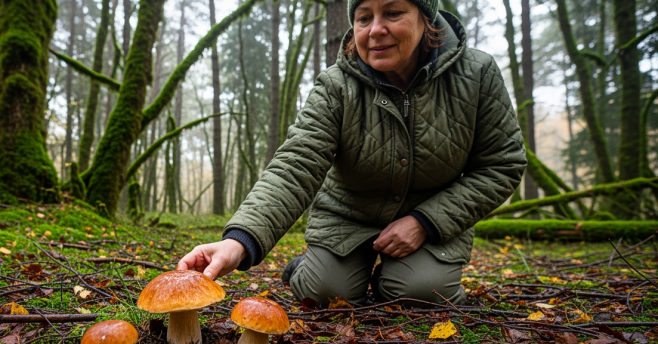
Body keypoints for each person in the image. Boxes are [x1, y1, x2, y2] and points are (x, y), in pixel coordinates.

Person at [178, 0, 527, 307]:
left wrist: (426, 222)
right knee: (326, 295)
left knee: (421, 295)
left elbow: (502, 164)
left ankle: (400, 272)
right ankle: (314, 266)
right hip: (348, 216)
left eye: (393, 13)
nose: (376, 30)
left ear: (426, 19)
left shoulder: (477, 74)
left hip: (433, 219)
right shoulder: (335, 86)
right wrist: (239, 241)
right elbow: (296, 164)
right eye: (363, 18)